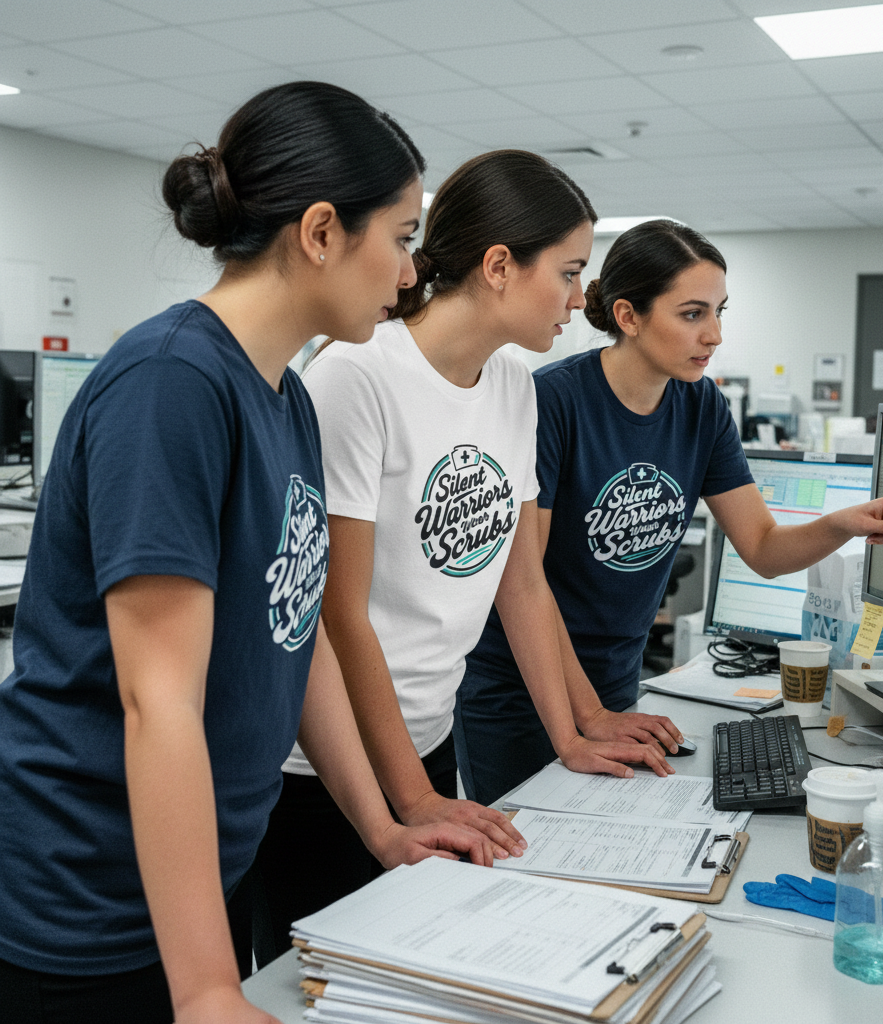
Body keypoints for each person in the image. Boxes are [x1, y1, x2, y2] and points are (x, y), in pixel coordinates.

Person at [0, 82, 490, 1024]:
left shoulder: (286, 397)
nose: (407, 274)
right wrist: (207, 988)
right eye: (398, 237)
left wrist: (385, 829)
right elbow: (159, 701)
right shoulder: (171, 384)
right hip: (87, 895)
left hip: (190, 872)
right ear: (318, 232)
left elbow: (290, 632)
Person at [258, 151, 681, 957]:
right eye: (567, 272)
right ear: (498, 267)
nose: (578, 298)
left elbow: (522, 583)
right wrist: (410, 797)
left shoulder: (514, 383)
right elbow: (338, 615)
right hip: (324, 767)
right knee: (321, 988)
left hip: (428, 734)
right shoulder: (358, 374)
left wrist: (572, 734)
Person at [456, 219, 883, 806]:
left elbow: (763, 548)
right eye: (692, 314)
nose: (713, 335)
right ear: (628, 316)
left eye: (719, 312)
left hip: (613, 682)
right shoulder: (552, 402)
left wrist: (843, 524)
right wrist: (584, 715)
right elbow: (524, 581)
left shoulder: (700, 406)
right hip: (521, 689)